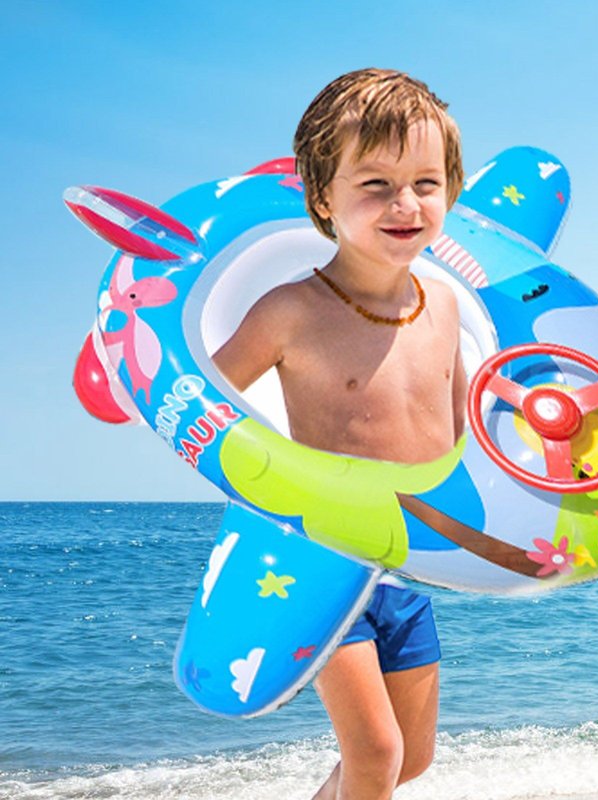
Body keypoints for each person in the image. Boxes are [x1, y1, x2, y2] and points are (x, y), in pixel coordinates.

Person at [213, 68, 467, 799]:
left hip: (408, 560)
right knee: (376, 753)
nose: (405, 204)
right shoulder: (289, 311)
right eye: (375, 184)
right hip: (317, 557)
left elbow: (453, 435)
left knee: (411, 759)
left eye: (425, 182)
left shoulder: (445, 307)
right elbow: (205, 404)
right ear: (324, 197)